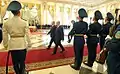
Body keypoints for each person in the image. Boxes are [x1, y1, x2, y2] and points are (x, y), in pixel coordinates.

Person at [3, 1, 31, 74]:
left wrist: (6, 45)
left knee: (15, 63)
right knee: (22, 62)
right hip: (22, 45)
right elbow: (28, 34)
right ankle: (22, 72)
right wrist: (29, 44)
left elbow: (5, 36)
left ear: (12, 12)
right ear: (19, 12)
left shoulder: (6, 23)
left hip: (13, 45)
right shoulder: (24, 22)